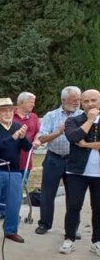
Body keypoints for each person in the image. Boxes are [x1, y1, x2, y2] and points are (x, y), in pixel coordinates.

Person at [0, 98, 32, 244]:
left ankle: (11, 230)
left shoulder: (17, 126)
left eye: (10, 110)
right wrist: (12, 138)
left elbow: (27, 148)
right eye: (4, 110)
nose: (8, 113)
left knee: (15, 202)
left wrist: (22, 138)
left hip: (14, 170)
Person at [35, 86, 83, 235]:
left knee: (74, 197)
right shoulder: (51, 116)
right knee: (47, 194)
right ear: (63, 100)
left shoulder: (83, 116)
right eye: (74, 100)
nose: (77, 103)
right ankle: (44, 224)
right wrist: (58, 132)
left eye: (79, 100)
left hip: (74, 160)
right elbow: (42, 138)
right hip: (53, 158)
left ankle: (73, 228)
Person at [60, 89, 100, 255]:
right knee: (73, 206)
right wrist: (90, 120)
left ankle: (97, 241)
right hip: (77, 172)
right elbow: (73, 137)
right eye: (86, 101)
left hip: (98, 174)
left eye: (94, 100)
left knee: (98, 208)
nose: (90, 104)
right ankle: (69, 239)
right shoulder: (73, 120)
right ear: (81, 103)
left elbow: (80, 141)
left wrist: (85, 145)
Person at [0, 92, 41, 220]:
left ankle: (13, 212)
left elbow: (38, 132)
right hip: (7, 158)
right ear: (21, 102)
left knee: (18, 188)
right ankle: (0, 211)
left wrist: (37, 140)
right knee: (3, 187)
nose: (34, 104)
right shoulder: (10, 114)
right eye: (31, 102)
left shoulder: (34, 117)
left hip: (26, 159)